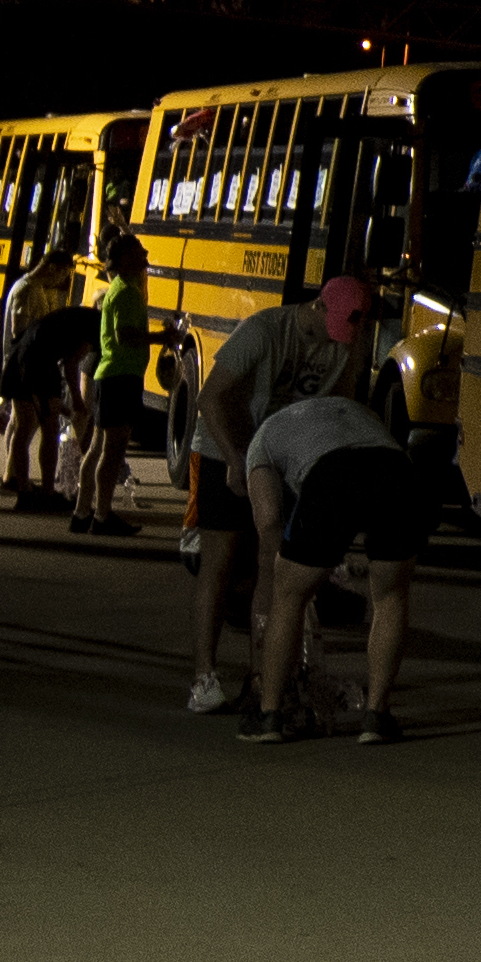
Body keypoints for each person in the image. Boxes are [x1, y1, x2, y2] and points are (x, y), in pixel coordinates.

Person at [181, 276, 357, 712]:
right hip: (225, 446)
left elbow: (337, 409)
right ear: (318, 306)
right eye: (332, 327)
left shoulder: (346, 343)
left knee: (273, 565)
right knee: (219, 561)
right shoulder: (263, 331)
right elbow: (209, 398)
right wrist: (234, 457)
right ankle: (204, 678)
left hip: (279, 457)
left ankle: (263, 675)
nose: (334, 342)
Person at [235, 386, 432, 745]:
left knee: (288, 597)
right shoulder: (354, 409)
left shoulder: (262, 439)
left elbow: (269, 520)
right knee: (391, 596)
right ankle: (376, 715)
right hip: (397, 472)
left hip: (332, 474)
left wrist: (295, 562)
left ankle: (269, 715)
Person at [66, 233, 147, 536]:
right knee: (112, 452)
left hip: (109, 376)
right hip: (121, 377)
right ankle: (102, 515)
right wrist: (162, 337)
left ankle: (81, 512)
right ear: (125, 259)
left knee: (97, 447)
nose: (145, 257)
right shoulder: (126, 291)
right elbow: (126, 336)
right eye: (139, 252)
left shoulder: (116, 288)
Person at [0, 244, 88, 513]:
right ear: (52, 268)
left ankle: (15, 480)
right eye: (63, 274)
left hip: (24, 366)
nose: (63, 281)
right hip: (30, 367)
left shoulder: (27, 287)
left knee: (21, 426)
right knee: (30, 427)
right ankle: (26, 487)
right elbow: (19, 328)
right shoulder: (28, 290)